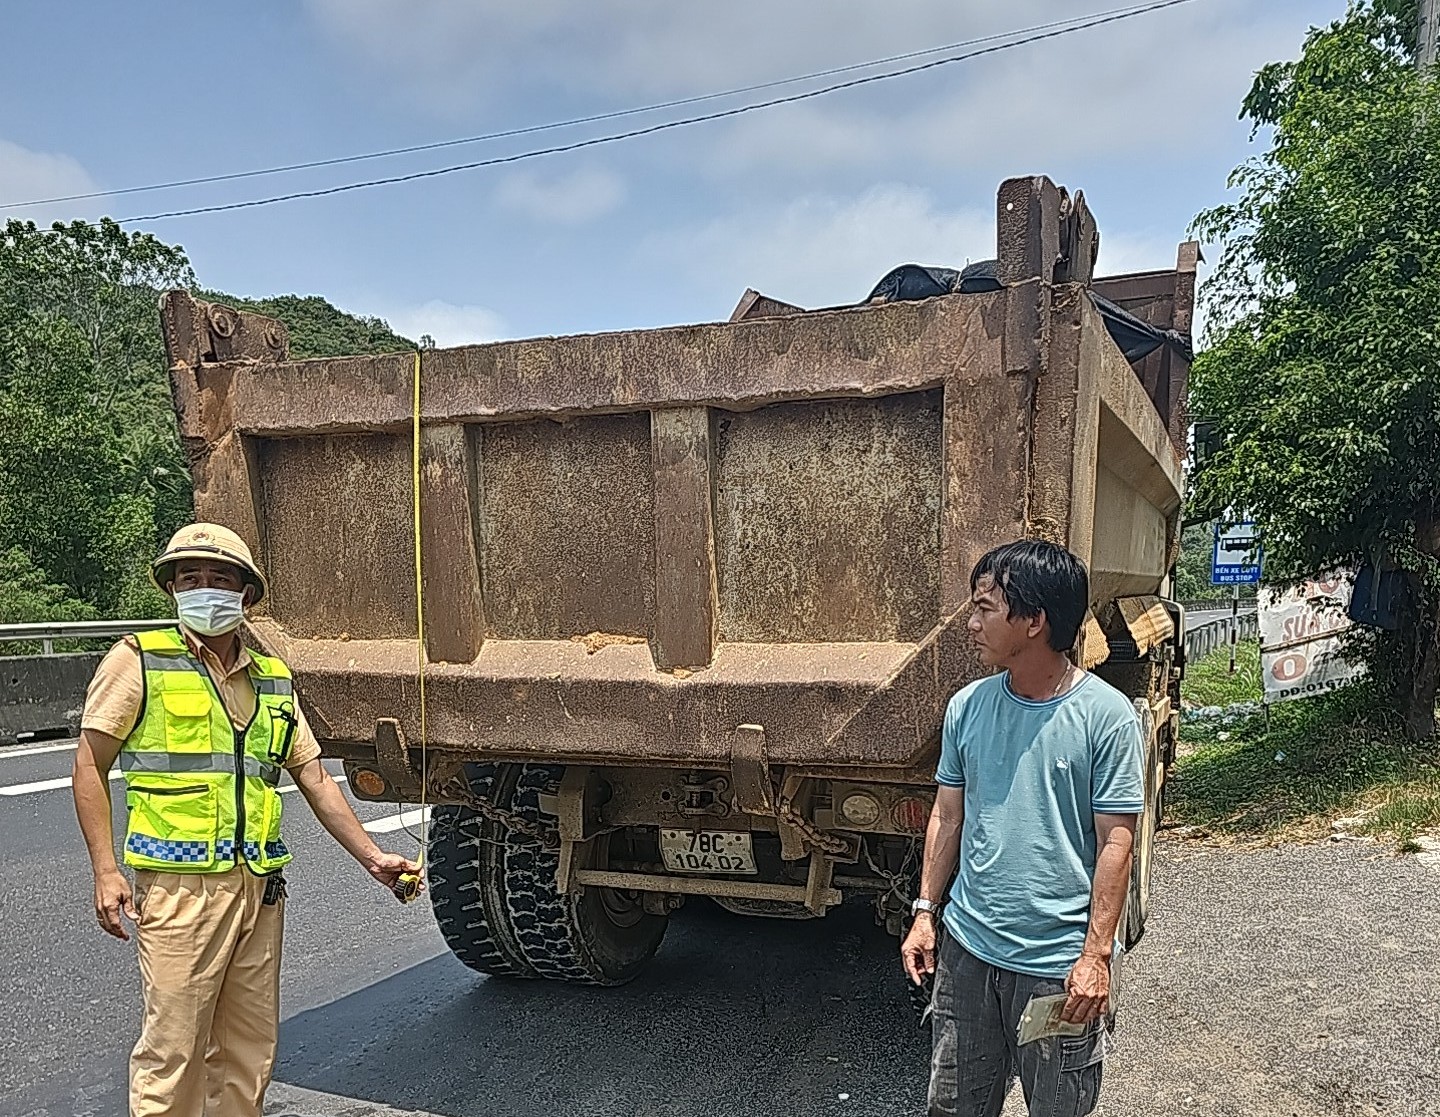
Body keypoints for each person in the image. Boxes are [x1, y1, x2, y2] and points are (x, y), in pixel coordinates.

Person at [71, 523, 421, 1117]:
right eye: (191, 579)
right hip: (180, 889)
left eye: (220, 580)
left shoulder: (273, 678)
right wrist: (106, 871)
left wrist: (372, 857)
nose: (205, 590)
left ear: (246, 595)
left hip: (258, 889)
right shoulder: (139, 660)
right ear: (173, 590)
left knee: (248, 1049)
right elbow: (88, 766)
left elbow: (312, 776)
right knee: (173, 1051)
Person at [900, 540, 1145, 1117]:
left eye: (986, 607)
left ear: (1034, 621)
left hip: (1055, 968)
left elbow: (1117, 841)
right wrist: (925, 912)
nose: (971, 621)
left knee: (1058, 1108)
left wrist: (1096, 957)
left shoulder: (1105, 718)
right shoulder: (967, 707)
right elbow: (948, 814)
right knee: (955, 1107)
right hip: (968, 954)